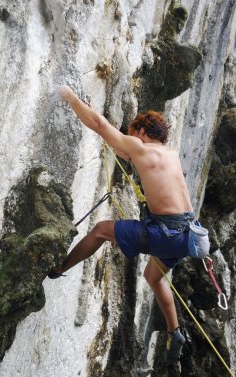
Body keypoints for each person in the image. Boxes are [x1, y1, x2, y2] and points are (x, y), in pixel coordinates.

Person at [48, 85, 194, 362]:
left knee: (101, 230)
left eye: (131, 134)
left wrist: (70, 97)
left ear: (140, 132)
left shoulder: (140, 148)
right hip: (188, 235)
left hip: (165, 232)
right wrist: (88, 108)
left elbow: (101, 126)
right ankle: (174, 331)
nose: (130, 140)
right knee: (153, 276)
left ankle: (59, 268)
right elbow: (117, 144)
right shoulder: (169, 155)